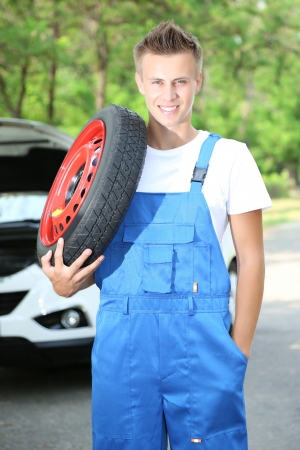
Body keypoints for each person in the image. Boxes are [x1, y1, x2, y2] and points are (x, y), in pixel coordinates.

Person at [42, 20, 272, 450]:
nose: (169, 96)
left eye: (181, 81)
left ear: (198, 81)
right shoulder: (105, 167)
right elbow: (79, 253)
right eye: (158, 81)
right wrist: (62, 282)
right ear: (139, 82)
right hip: (122, 349)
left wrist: (237, 354)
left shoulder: (228, 157)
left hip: (204, 353)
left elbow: (253, 261)